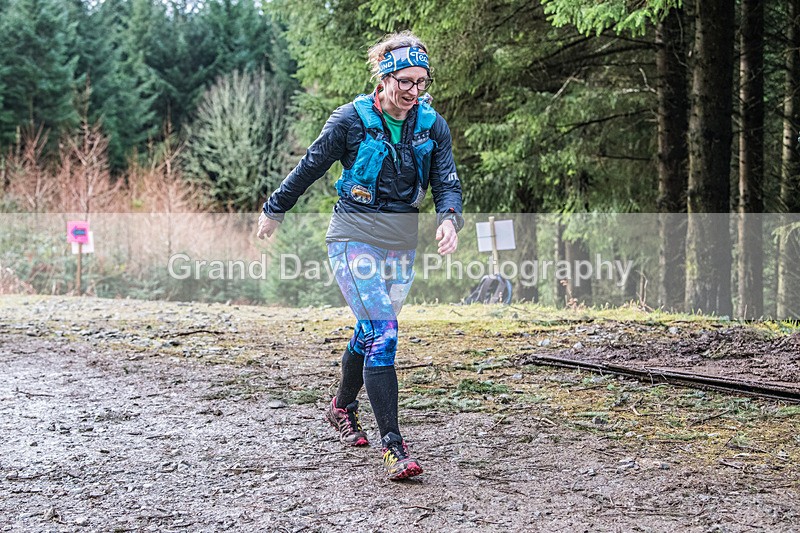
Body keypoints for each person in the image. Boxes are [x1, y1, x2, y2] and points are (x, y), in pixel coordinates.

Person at [257, 31, 463, 481]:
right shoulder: (350, 120)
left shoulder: (432, 125)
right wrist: (276, 208)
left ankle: (342, 405)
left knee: (371, 329)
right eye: (404, 81)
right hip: (352, 236)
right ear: (385, 77)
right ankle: (394, 447)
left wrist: (448, 217)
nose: (412, 91)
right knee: (384, 331)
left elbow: (447, 181)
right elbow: (310, 165)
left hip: (401, 241)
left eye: (421, 82)